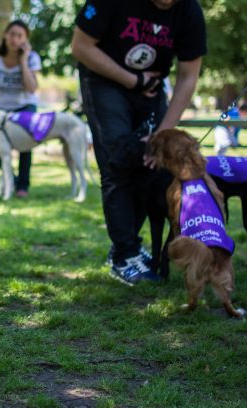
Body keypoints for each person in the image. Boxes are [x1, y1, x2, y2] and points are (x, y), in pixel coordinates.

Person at [71, 0, 206, 285]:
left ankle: (126, 245)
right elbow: (81, 47)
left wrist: (162, 136)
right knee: (118, 163)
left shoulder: (189, 11)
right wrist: (133, 80)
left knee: (153, 164)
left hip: (152, 87)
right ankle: (124, 255)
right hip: (104, 81)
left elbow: (188, 76)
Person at [0, 19, 41, 198]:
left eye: (20, 35)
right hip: (1, 109)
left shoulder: (32, 58)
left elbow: (31, 88)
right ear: (5, 35)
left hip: (26, 106)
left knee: (25, 146)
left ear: (25, 39)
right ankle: (10, 180)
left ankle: (23, 186)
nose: (15, 39)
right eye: (12, 34)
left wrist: (23, 61)